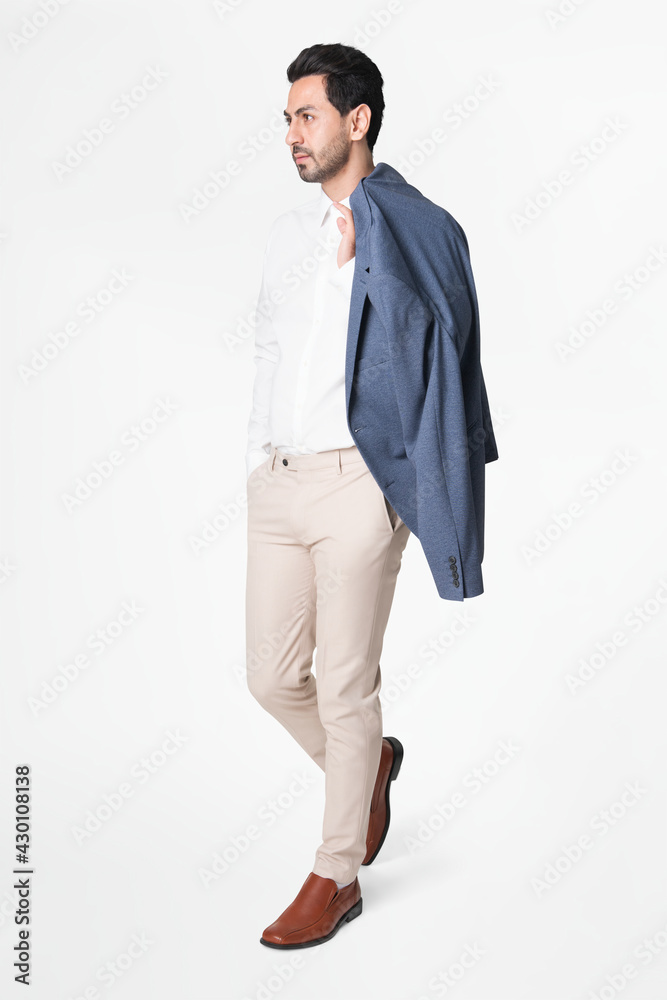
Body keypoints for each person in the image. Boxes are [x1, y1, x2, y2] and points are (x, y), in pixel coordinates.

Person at [245, 42, 496, 949]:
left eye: (307, 115)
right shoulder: (287, 234)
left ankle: (335, 875)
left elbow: (443, 342)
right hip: (279, 482)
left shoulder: (411, 226)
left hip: (358, 481)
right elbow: (271, 348)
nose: (291, 133)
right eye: (287, 118)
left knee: (346, 685)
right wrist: (256, 456)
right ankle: (371, 768)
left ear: (357, 121)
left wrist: (370, 262)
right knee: (271, 678)